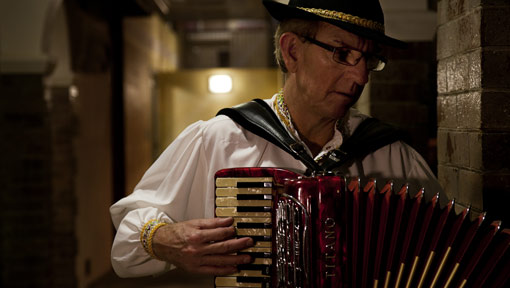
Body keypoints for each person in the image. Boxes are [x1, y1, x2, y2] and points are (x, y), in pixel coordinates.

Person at [110, 0, 445, 279]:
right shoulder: (221, 139)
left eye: (369, 60)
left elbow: (445, 256)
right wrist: (162, 238)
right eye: (342, 54)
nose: (359, 77)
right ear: (292, 52)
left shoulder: (392, 156)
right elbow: (125, 242)